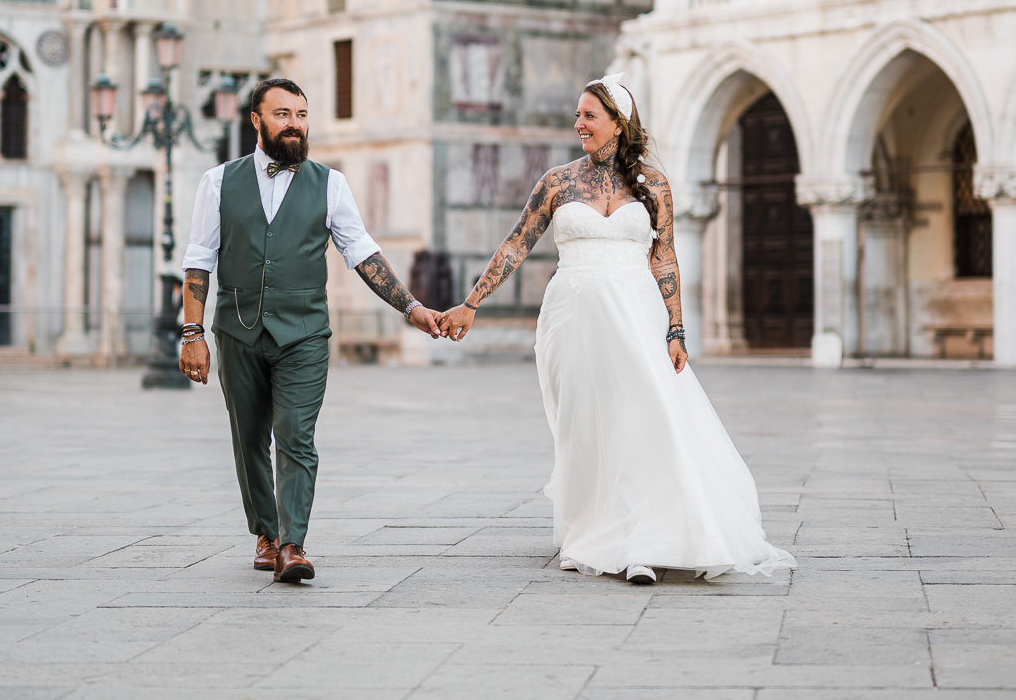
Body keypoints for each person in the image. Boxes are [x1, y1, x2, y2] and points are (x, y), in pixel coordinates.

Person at [440, 77, 795, 586]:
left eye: (589, 115)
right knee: (583, 424)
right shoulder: (558, 181)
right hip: (572, 315)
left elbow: (664, 256)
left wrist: (676, 329)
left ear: (618, 123)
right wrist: (471, 303)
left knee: (643, 417)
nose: (578, 123)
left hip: (636, 315)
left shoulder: (653, 184)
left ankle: (645, 542)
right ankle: (589, 532)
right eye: (578, 114)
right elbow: (516, 245)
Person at [179, 77, 442, 583]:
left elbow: (362, 253)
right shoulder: (218, 182)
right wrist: (193, 334)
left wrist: (411, 308)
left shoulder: (330, 183)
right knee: (249, 436)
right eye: (283, 114)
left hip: (304, 334)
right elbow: (198, 261)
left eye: (301, 114)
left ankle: (292, 544)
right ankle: (266, 532)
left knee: (296, 435)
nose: (295, 124)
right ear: (256, 120)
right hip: (237, 332)